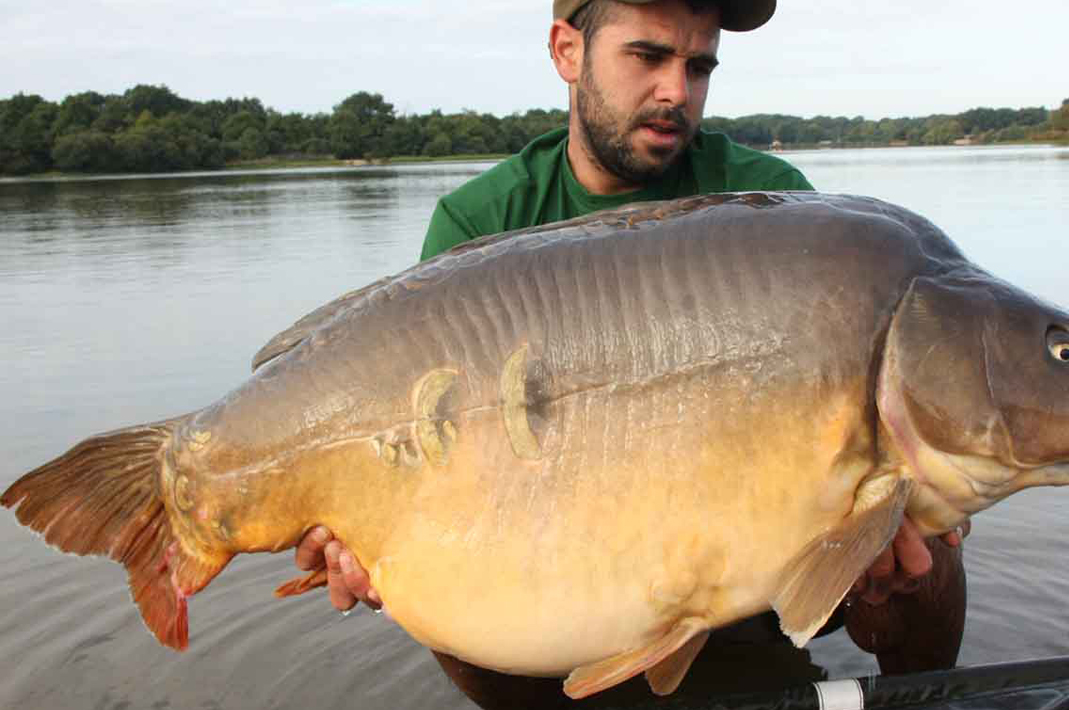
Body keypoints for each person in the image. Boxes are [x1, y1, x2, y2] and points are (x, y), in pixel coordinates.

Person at [294, 0, 969, 703]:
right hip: (568, 553)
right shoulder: (481, 223)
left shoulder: (775, 209)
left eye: (698, 65)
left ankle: (930, 698)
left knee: (933, 543)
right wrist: (364, 537)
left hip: (755, 559)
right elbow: (429, 443)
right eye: (647, 57)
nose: (677, 91)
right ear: (566, 52)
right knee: (443, 599)